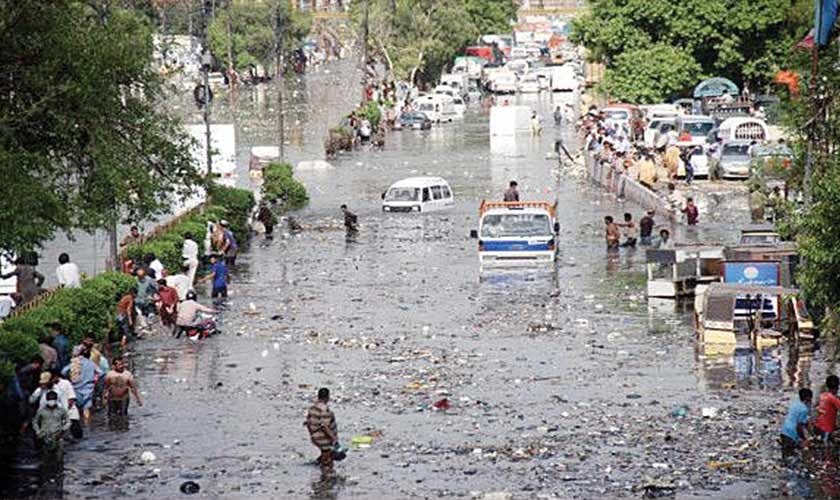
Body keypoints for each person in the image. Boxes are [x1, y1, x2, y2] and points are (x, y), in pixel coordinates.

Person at [31, 390, 69, 484]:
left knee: (59, 458)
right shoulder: (41, 411)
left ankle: (59, 476)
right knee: (46, 459)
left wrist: (63, 429)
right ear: (47, 400)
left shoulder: (61, 410)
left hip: (58, 437)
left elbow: (68, 421)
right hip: (45, 437)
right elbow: (35, 422)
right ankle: (46, 478)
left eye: (53, 399)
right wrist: (38, 432)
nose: (51, 401)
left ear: (56, 400)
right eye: (50, 399)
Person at [62, 346, 101, 425]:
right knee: (86, 410)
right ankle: (87, 426)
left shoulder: (72, 364)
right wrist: (95, 381)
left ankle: (76, 427)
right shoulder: (91, 363)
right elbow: (101, 373)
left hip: (75, 391)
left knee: (74, 412)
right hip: (88, 390)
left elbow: (63, 372)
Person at [304, 388, 339, 476]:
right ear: (327, 397)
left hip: (315, 436)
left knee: (325, 455)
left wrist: (312, 434)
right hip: (323, 438)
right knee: (327, 460)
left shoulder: (313, 408)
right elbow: (324, 426)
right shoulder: (325, 409)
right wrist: (334, 438)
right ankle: (326, 481)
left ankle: (322, 476)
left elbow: (307, 422)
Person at [104, 357, 142, 431]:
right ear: (114, 366)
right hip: (112, 398)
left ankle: (123, 427)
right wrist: (104, 397)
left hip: (124, 398)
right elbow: (106, 387)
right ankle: (113, 428)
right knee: (112, 415)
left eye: (122, 364)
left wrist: (138, 399)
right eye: (119, 364)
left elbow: (133, 387)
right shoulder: (110, 374)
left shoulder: (127, 374)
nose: (121, 366)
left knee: (123, 414)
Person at [781, 388, 812, 460]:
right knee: (791, 457)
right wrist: (804, 438)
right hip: (791, 434)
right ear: (808, 398)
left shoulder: (795, 404)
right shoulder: (804, 409)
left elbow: (800, 420)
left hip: (784, 430)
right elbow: (799, 426)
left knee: (785, 455)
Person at [814, 375, 840, 446]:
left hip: (818, 426)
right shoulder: (834, 399)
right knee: (827, 450)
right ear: (837, 387)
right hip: (827, 428)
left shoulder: (822, 395)